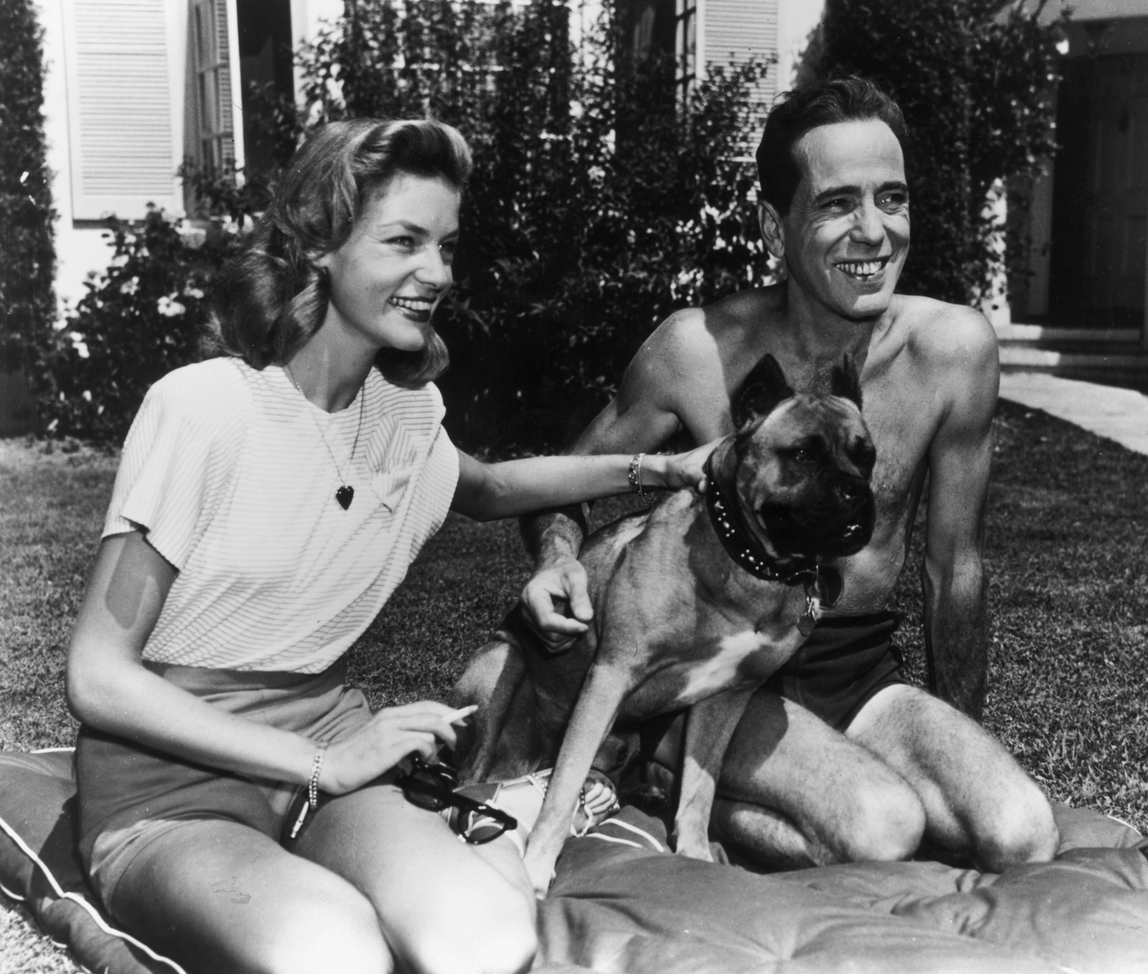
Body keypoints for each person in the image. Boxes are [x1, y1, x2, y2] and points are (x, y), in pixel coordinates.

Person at [65, 118, 711, 974]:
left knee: (489, 943)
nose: (437, 273)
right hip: (169, 786)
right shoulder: (203, 407)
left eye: (446, 245)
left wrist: (656, 467)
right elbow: (98, 677)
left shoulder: (405, 414)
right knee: (333, 953)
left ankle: (472, 836)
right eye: (404, 241)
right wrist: (324, 763)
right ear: (319, 245)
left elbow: (491, 488)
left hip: (326, 749)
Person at [518, 77, 1059, 874]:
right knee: (880, 830)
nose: (873, 231)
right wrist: (557, 559)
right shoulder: (697, 350)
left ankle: (775, 785)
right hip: (712, 673)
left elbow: (955, 569)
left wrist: (956, 737)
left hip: (857, 668)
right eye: (838, 204)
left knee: (1019, 832)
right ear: (776, 226)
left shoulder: (951, 351)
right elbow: (564, 479)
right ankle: (660, 769)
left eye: (892, 198)